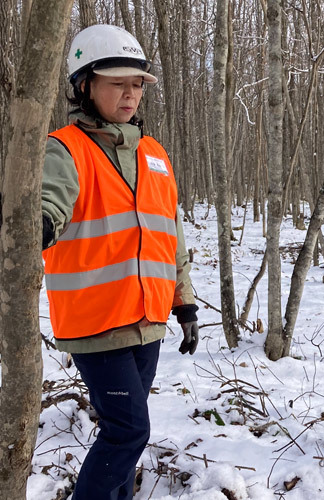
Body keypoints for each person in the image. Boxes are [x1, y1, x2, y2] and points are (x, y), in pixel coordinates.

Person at [41, 24, 199, 500]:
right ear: (85, 84)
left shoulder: (154, 155)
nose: (130, 94)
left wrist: (184, 302)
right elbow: (50, 202)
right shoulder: (64, 147)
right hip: (96, 320)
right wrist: (40, 225)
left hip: (148, 322)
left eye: (136, 84)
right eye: (117, 83)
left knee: (126, 437)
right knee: (127, 431)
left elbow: (169, 236)